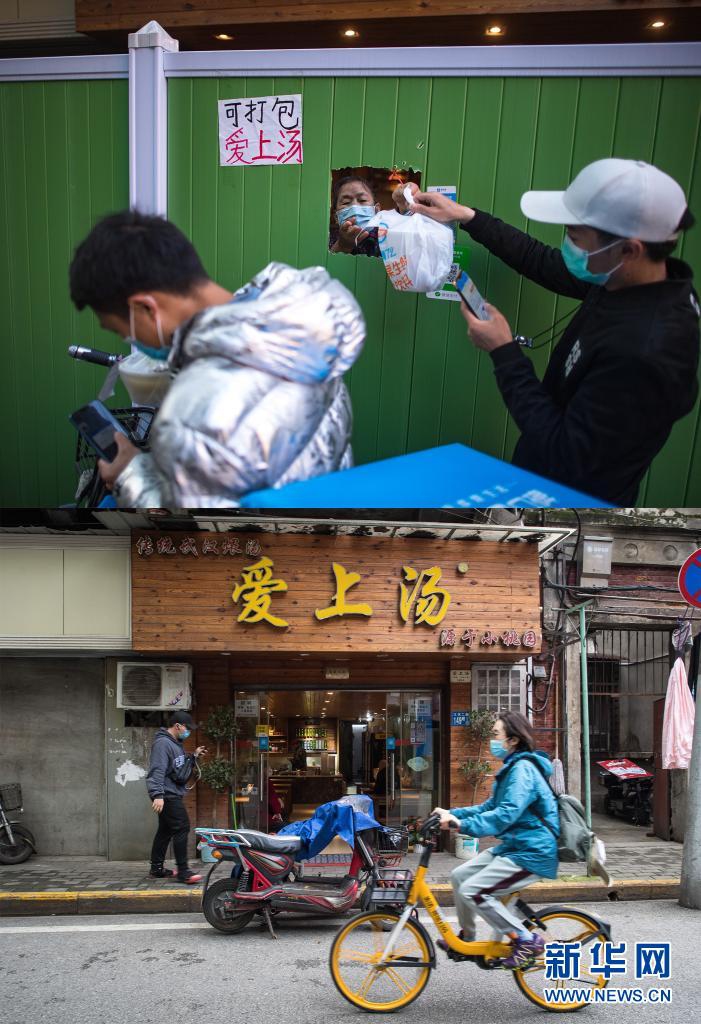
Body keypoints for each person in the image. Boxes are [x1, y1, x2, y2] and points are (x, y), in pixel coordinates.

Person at [395, 159, 699, 504]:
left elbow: (564, 452)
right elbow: (545, 264)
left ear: (629, 249)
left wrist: (504, 352)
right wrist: (466, 216)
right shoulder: (627, 277)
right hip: (540, 477)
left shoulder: (646, 351)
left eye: (575, 236)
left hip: (573, 509)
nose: (567, 244)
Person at [69, 210, 365, 507]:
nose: (130, 340)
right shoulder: (295, 327)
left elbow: (194, 535)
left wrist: (129, 475)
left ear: (146, 309)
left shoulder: (199, 406)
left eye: (123, 331)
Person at [432, 711, 559, 970]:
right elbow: (488, 806)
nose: (492, 739)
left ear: (512, 740)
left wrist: (461, 824)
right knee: (459, 876)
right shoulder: (512, 768)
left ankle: (526, 940)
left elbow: (505, 815)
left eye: (495, 734)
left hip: (532, 852)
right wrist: (451, 813)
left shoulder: (523, 769)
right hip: (515, 846)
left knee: (474, 890)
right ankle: (467, 939)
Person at [146, 710, 207, 884]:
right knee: (182, 827)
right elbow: (157, 770)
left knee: (165, 830)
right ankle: (183, 872)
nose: (188, 733)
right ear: (178, 726)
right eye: (187, 729)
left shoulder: (175, 743)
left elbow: (177, 768)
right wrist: (157, 794)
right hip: (167, 794)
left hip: (170, 792)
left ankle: (157, 868)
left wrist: (193, 756)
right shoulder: (163, 744)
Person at [330, 176, 382, 257]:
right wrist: (342, 246)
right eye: (346, 202)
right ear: (336, 217)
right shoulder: (326, 239)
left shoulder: (387, 238)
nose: (354, 206)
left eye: (362, 200)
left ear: (377, 211)